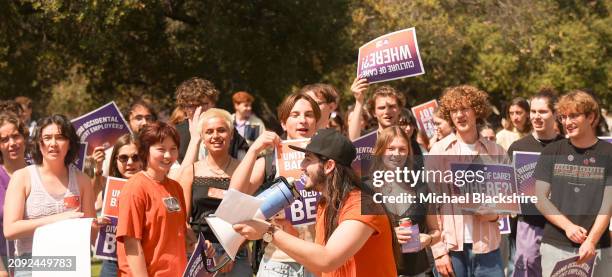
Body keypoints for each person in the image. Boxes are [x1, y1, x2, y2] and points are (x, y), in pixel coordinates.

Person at [234, 129, 398, 277]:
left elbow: (327, 259)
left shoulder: (364, 205)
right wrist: (285, 231)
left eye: (308, 159)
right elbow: (321, 269)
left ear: (328, 166)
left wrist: (269, 232)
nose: (302, 166)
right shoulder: (325, 204)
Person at [229, 92, 321, 276]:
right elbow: (235, 195)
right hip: (278, 263)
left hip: (318, 261)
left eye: (309, 115)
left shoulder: (329, 162)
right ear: (283, 123)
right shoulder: (271, 160)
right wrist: (254, 150)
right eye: (295, 115)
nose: (302, 120)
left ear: (317, 122)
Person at [427, 85, 508, 277]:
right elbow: (430, 206)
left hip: (488, 248)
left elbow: (509, 201)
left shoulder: (496, 152)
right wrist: (439, 253)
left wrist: (494, 214)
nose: (459, 115)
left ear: (476, 111)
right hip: (452, 249)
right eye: (454, 110)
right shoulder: (438, 151)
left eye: (465, 109)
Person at [3, 114, 97, 277]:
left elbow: (92, 235)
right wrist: (59, 219)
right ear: (39, 144)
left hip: (72, 264)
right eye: (47, 138)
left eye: (60, 137)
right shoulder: (22, 177)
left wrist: (94, 224)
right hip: (30, 266)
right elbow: (10, 230)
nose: (53, 144)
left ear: (70, 143)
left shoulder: (82, 180)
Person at [534, 90, 612, 276]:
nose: (567, 122)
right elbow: (540, 198)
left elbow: (608, 203)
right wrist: (568, 227)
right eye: (564, 117)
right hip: (555, 245)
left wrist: (591, 240)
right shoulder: (552, 151)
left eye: (574, 116)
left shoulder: (608, 153)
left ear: (591, 117)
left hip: (598, 247)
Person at [177, 108, 256, 276]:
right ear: (203, 138)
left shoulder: (243, 171)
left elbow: (250, 219)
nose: (215, 136)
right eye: (209, 132)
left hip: (235, 252)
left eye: (221, 130)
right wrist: (198, 247)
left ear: (231, 134)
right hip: (200, 251)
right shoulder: (190, 172)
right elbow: (181, 220)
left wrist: (230, 253)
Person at [115, 122, 187, 276]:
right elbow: (132, 244)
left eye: (173, 149)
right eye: (161, 149)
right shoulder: (134, 188)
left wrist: (196, 245)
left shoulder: (176, 188)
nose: (168, 155)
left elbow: (178, 231)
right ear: (145, 151)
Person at [370, 126, 441, 276]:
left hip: (418, 271)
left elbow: (436, 231)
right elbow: (359, 239)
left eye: (402, 149)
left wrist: (428, 239)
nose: (397, 154)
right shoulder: (367, 189)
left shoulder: (422, 187)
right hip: (381, 271)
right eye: (391, 148)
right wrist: (389, 235)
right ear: (380, 151)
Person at [507, 90, 563, 277]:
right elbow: (507, 189)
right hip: (529, 225)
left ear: (555, 113)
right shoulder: (518, 148)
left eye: (543, 111)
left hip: (562, 227)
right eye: (533, 111)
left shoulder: (568, 147)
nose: (536, 116)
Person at [96, 134, 143, 277]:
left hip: (143, 260)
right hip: (112, 262)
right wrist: (97, 223)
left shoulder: (152, 187)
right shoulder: (108, 189)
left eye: (135, 157)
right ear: (115, 160)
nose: (130, 163)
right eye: (123, 158)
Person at [174, 77, 249, 163]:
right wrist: (195, 140)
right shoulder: (175, 135)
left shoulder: (228, 130)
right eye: (192, 106)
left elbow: (246, 166)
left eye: (203, 104)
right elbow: (178, 175)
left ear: (213, 103)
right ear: (184, 108)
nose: (199, 110)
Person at [0, 112, 29, 277]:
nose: (12, 143)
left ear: (24, 137)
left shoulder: (40, 173)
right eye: (4, 140)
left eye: (15, 136)